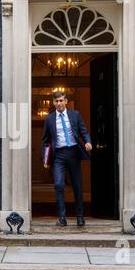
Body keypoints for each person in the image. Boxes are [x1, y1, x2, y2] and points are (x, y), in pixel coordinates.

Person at [42, 91, 92, 227]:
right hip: (58, 155)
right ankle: (62, 218)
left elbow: (83, 131)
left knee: (77, 186)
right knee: (58, 185)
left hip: (74, 154)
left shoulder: (75, 115)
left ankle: (80, 217)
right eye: (56, 101)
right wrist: (45, 159)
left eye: (61, 101)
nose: (59, 103)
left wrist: (88, 142)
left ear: (66, 101)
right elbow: (45, 141)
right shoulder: (49, 119)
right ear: (53, 103)